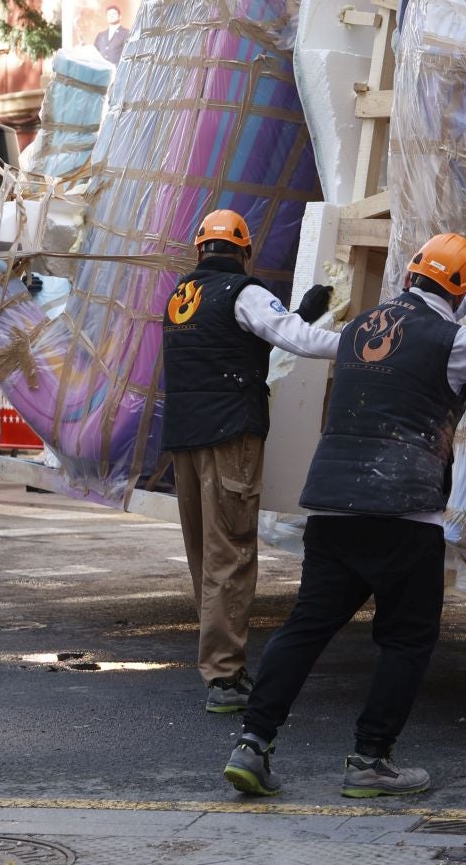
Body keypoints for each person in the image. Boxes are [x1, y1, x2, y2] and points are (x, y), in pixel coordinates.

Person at [222, 232, 466, 800]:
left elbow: (415, 320)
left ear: (408, 276)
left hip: (333, 504)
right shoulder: (453, 341)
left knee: (307, 628)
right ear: (458, 291)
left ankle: (253, 744)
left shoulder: (359, 328)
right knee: (406, 640)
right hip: (404, 511)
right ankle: (370, 760)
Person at [161, 207, 339, 714]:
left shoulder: (182, 296)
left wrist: (297, 313)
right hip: (228, 436)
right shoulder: (246, 293)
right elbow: (292, 341)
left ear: (200, 250)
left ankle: (218, 664)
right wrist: (362, 345)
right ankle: (224, 674)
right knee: (231, 552)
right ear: (244, 251)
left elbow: (232, 344)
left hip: (185, 436)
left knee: (205, 554)